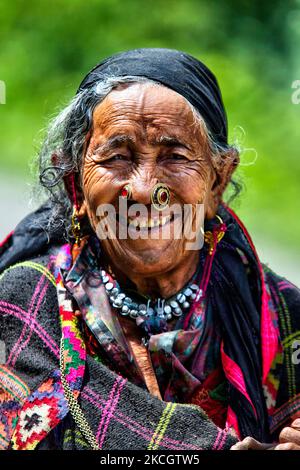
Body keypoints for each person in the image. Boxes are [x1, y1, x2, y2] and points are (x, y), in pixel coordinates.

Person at [0, 48, 299, 451]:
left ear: (216, 182)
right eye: (118, 157)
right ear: (76, 186)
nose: (145, 190)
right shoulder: (23, 305)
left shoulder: (283, 317)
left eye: (174, 156)